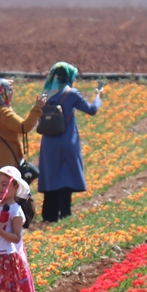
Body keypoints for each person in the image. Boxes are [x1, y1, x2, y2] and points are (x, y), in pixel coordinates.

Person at [36, 62, 102, 223]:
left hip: (49, 143)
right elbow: (91, 110)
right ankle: (65, 214)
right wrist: (98, 96)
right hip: (67, 141)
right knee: (66, 178)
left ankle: (49, 216)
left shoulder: (46, 94)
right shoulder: (71, 94)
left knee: (52, 177)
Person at [0, 78, 45, 178]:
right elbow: (24, 127)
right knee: (8, 192)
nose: (12, 93)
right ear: (3, 93)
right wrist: (37, 109)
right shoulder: (4, 113)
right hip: (6, 162)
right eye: (10, 90)